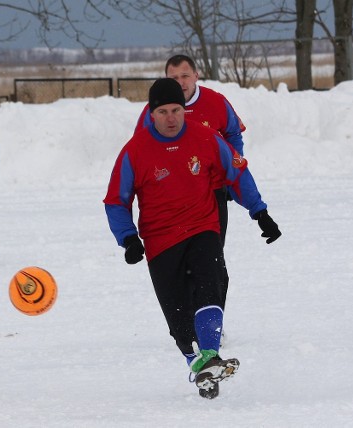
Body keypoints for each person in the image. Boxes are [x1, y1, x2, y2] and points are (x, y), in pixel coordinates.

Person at [104, 78, 281, 399]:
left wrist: (260, 212)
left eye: (176, 110)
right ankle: (200, 367)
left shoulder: (206, 138)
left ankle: (210, 354)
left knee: (208, 286)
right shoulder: (134, 151)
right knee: (178, 318)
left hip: (202, 228)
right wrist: (128, 238)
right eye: (163, 112)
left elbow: (237, 173)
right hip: (160, 242)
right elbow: (117, 200)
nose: (171, 118)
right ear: (151, 114)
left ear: (184, 110)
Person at [135, 54, 247, 246]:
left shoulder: (216, 101)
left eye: (185, 76)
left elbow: (233, 135)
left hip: (212, 191)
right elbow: (140, 149)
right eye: (174, 78)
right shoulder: (154, 109)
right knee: (176, 253)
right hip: (171, 194)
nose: (180, 83)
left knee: (212, 255)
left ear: (196, 75)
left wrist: (230, 176)